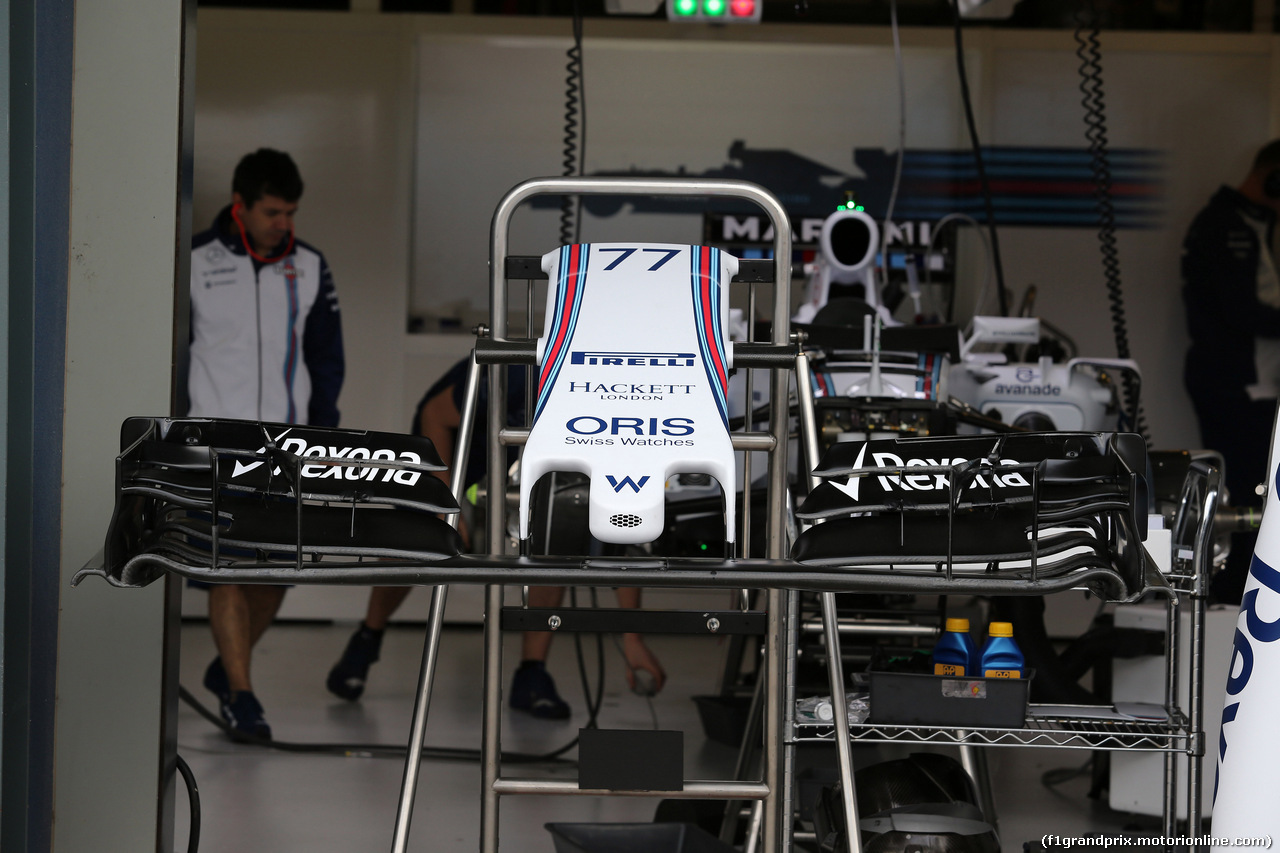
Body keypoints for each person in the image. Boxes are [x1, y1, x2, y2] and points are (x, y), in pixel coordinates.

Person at [325, 358, 666, 717]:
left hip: (528, 447)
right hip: (455, 441)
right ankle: (368, 638)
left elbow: (626, 523)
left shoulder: (624, 420)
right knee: (419, 538)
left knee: (555, 536)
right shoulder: (520, 374)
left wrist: (633, 636)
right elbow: (435, 414)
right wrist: (445, 509)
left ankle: (531, 675)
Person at [189, 148, 345, 738]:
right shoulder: (196, 261)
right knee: (228, 570)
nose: (286, 223)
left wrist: (323, 434)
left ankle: (228, 669)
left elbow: (327, 357)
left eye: (292, 212)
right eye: (274, 212)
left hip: (288, 446)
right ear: (241, 205)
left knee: (278, 576)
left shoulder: (309, 266)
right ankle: (243, 698)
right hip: (215, 447)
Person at [1182, 139, 1280, 604]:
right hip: (1234, 386)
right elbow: (1242, 312)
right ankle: (1228, 600)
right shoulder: (1225, 226)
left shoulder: (1256, 224)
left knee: (1254, 501)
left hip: (1254, 388)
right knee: (1243, 504)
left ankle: (1241, 599)